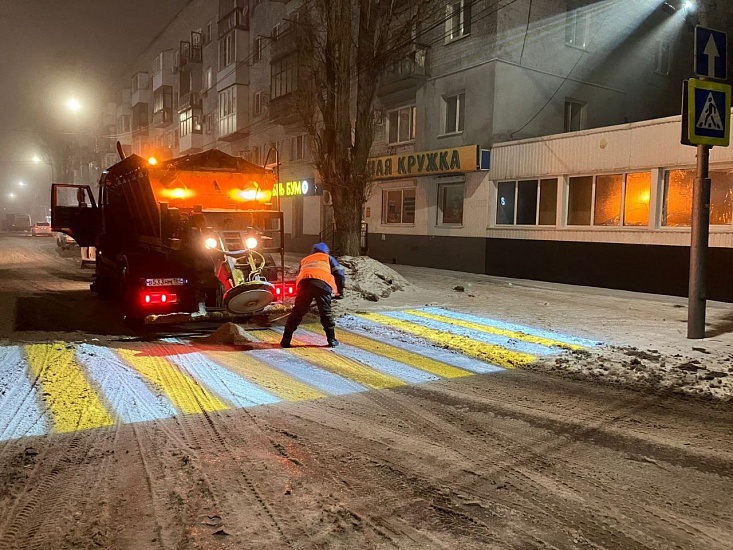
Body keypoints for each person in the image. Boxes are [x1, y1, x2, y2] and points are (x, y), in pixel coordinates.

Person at [280, 242, 346, 348]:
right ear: (326, 251)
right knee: (326, 313)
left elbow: (301, 273)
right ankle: (332, 340)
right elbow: (339, 274)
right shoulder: (328, 258)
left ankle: (285, 340)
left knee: (297, 312)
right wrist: (340, 291)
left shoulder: (305, 260)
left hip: (304, 285)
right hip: (322, 284)